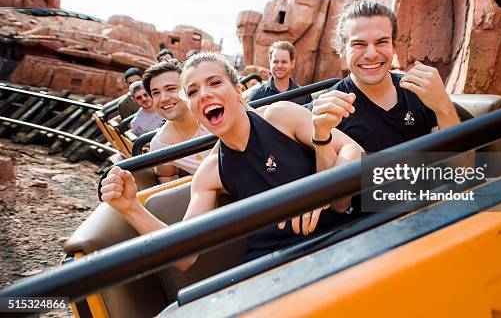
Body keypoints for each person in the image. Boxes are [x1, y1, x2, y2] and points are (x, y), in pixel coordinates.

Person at [100, 52, 363, 268]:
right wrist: (130, 208)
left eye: (214, 83)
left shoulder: (281, 117)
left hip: (337, 239)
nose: (203, 94)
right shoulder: (210, 172)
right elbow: (184, 257)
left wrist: (319, 191)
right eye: (192, 92)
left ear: (238, 91)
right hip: (273, 263)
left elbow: (353, 150)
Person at [312, 0, 460, 154]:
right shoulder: (330, 107)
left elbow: (461, 169)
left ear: (394, 46)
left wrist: (444, 106)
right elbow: (329, 176)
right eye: (359, 44)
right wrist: (321, 136)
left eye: (381, 42)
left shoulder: (417, 92)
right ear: (342, 51)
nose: (371, 54)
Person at [142, 59, 210, 181]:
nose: (163, 98)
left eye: (171, 89)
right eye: (156, 93)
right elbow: (166, 175)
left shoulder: (216, 114)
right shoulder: (161, 143)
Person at [247, 41, 312, 105]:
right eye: (275, 62)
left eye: (284, 62)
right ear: (270, 63)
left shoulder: (304, 95)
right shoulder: (256, 96)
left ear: (292, 64)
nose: (279, 66)